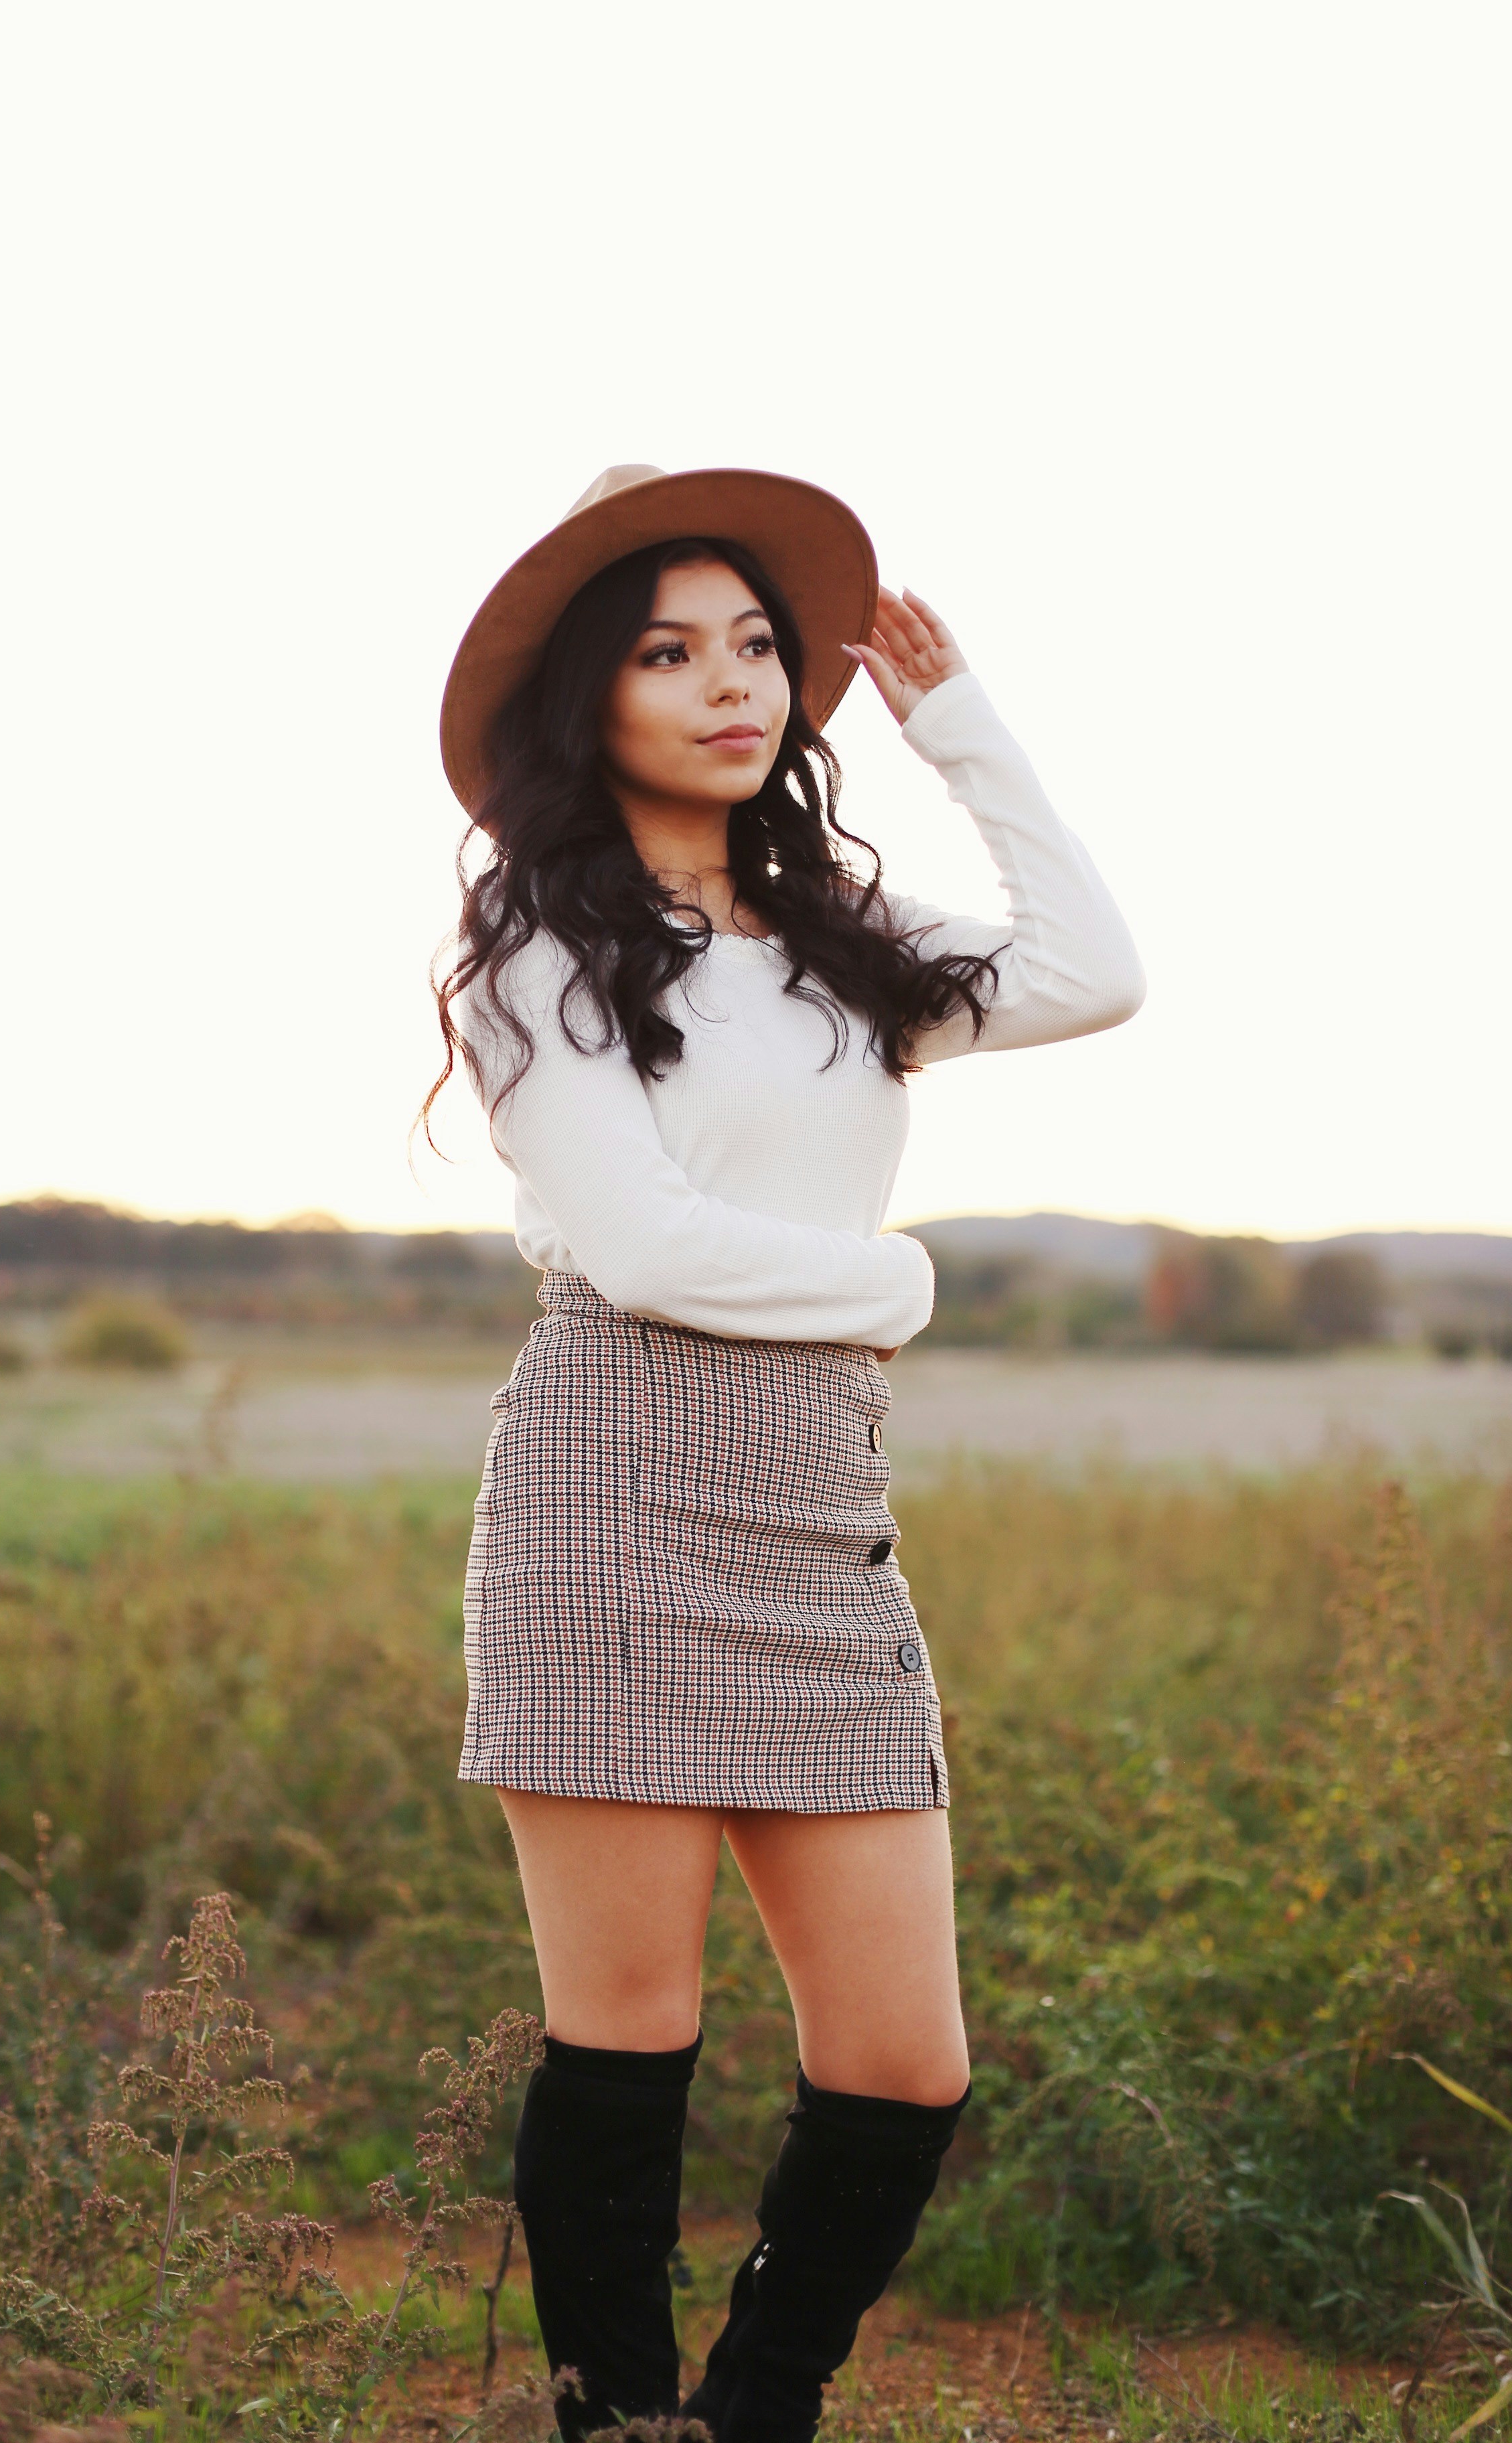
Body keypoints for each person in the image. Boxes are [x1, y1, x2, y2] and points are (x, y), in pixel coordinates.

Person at [426, 463, 1145, 2441]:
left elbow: (1095, 973)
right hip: (614, 1486)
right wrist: (895, 1281)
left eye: (753, 645)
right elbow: (646, 1250)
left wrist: (959, 724)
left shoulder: (839, 935)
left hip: (820, 1513)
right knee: (631, 2043)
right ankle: (616, 2422)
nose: (729, 685)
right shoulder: (533, 949)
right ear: (594, 700)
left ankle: (754, 2415)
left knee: (906, 2061)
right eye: (670, 653)